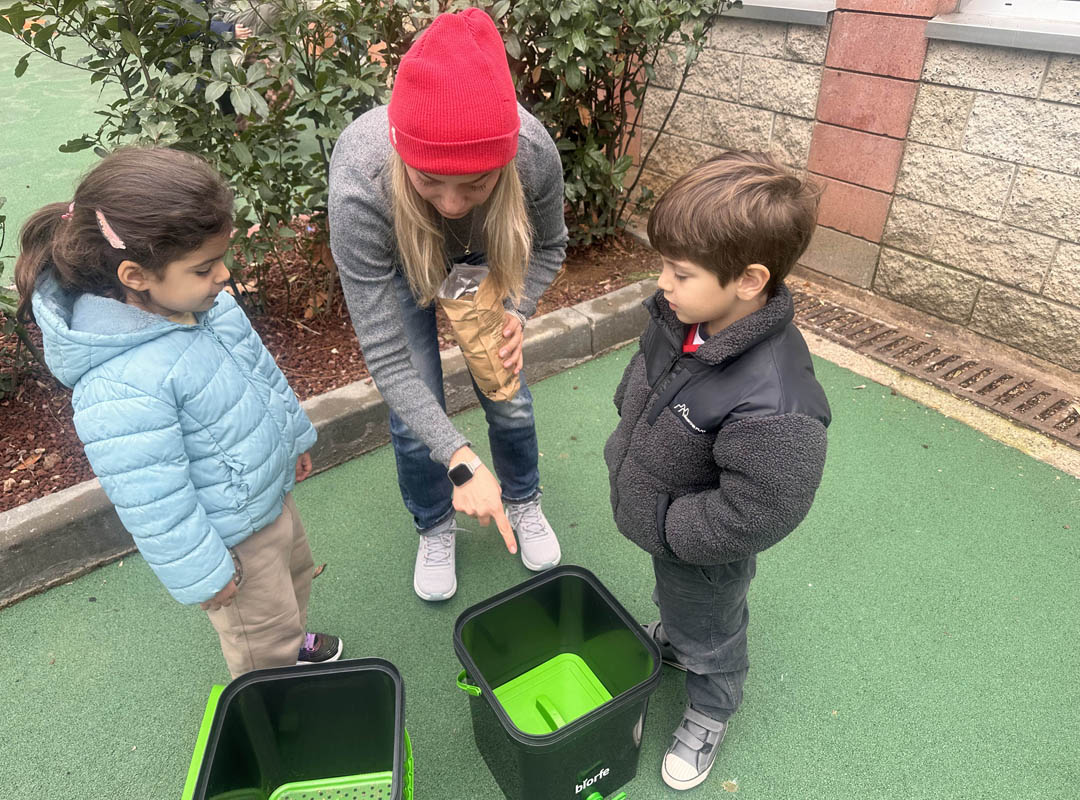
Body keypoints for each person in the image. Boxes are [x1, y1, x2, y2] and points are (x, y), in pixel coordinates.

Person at [15, 148, 343, 679]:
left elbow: (261, 374)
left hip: (268, 494)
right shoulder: (121, 381)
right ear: (135, 275)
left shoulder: (209, 306)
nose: (224, 274)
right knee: (260, 632)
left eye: (220, 260)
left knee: (294, 578)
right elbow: (152, 497)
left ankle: (290, 644)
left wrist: (295, 437)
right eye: (204, 267)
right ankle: (273, 701)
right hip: (231, 539)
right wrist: (203, 571)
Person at [604, 151, 832, 790]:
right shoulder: (685, 318)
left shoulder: (776, 399)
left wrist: (674, 529)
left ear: (750, 280)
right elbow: (649, 374)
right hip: (666, 520)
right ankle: (678, 637)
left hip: (702, 545)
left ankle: (711, 707)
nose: (663, 283)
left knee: (713, 627)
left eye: (681, 272)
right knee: (680, 603)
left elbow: (765, 506)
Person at [329, 8, 567, 602]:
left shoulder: (531, 152)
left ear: (504, 163)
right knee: (417, 417)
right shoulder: (362, 179)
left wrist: (518, 311)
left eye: (477, 183)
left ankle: (524, 498)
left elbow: (551, 246)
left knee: (508, 394)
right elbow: (389, 359)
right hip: (402, 260)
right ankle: (435, 523)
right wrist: (461, 461)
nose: (454, 204)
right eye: (430, 180)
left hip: (482, 258)